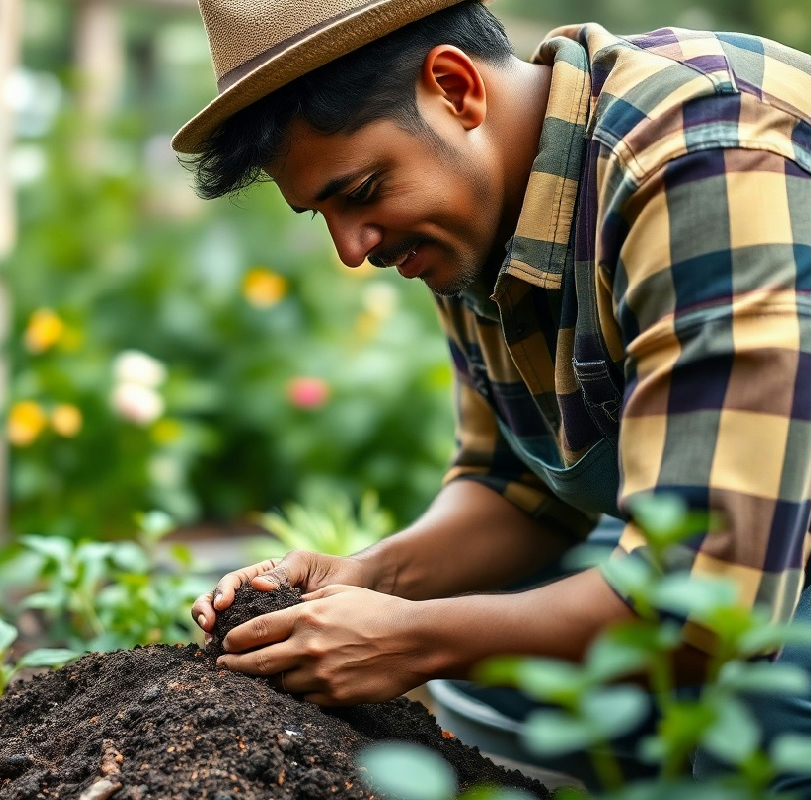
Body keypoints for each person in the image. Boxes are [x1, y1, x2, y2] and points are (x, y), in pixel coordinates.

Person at [176, 0, 811, 788]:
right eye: (322, 215)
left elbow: (713, 599)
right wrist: (370, 579)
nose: (351, 248)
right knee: (500, 694)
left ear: (455, 88)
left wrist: (411, 639)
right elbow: (516, 489)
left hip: (762, 565)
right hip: (746, 552)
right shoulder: (474, 212)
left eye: (364, 190)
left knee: (749, 745)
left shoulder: (703, 162)